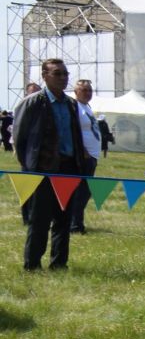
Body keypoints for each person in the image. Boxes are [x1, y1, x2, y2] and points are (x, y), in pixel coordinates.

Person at [14, 58, 85, 271]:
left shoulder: (72, 104)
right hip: (42, 169)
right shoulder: (33, 102)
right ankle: (32, 265)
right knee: (40, 220)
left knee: (64, 219)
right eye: (57, 73)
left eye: (65, 74)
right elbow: (20, 137)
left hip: (69, 168)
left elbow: (76, 135)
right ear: (45, 76)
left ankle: (59, 263)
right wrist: (29, 166)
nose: (63, 78)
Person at [69, 79, 101, 234]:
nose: (88, 93)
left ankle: (76, 222)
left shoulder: (86, 107)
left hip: (92, 156)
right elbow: (72, 131)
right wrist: (82, 151)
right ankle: (75, 225)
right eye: (84, 90)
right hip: (83, 156)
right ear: (76, 92)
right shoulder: (74, 106)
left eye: (90, 90)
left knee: (85, 191)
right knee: (80, 192)